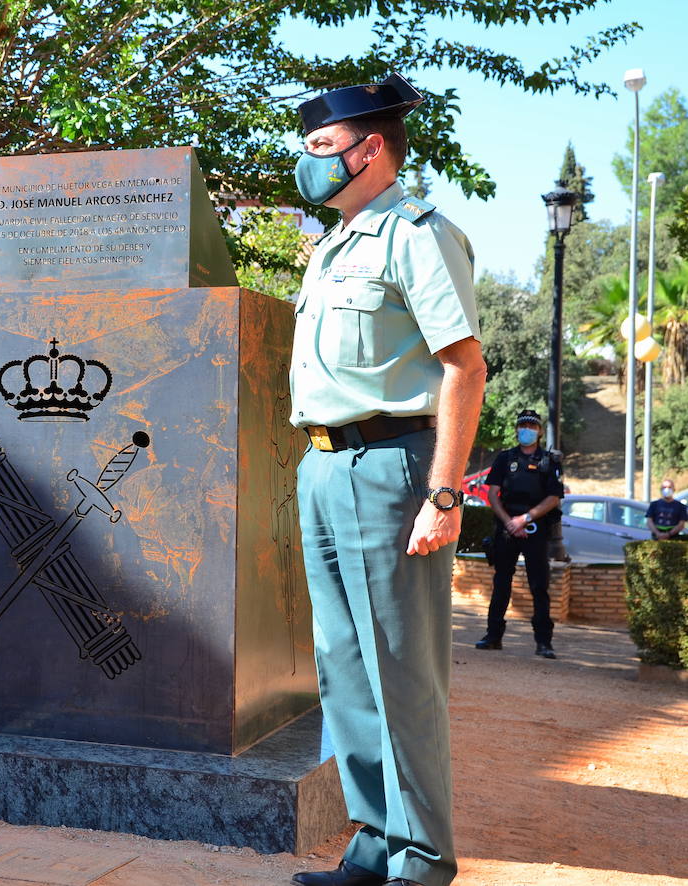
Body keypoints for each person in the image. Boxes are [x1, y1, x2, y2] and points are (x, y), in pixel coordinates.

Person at [288, 74, 486, 886]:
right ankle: (373, 847)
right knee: (343, 673)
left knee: (401, 676)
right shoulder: (335, 244)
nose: (309, 165)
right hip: (324, 465)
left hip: (392, 469)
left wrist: (446, 493)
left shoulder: (417, 233)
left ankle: (423, 862)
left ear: (371, 149)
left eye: (323, 149)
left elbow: (464, 368)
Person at [475, 409, 563, 659]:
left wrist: (525, 519)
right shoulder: (505, 458)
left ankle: (544, 642)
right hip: (507, 529)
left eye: (531, 426)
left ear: (540, 431)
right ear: (517, 429)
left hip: (535, 528)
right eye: (523, 425)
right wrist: (510, 523)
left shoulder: (549, 461)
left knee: (539, 586)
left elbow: (554, 497)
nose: (526, 430)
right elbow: (492, 493)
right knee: (501, 583)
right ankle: (493, 636)